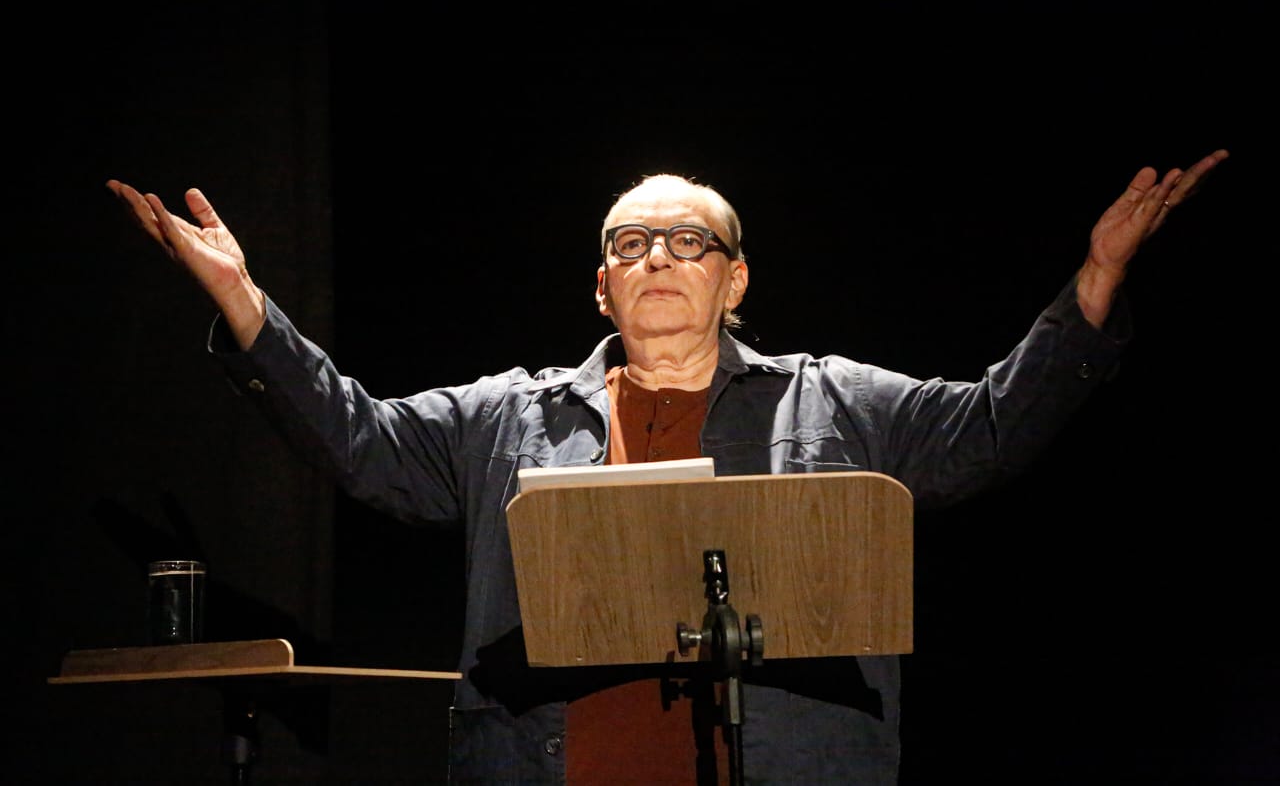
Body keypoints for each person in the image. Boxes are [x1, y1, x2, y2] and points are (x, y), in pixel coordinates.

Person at [107, 147, 1228, 784]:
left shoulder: (834, 401)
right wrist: (247, 307)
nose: (658, 257)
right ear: (601, 286)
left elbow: (988, 427)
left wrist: (1092, 285)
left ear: (733, 280)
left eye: (689, 241)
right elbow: (358, 439)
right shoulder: (506, 417)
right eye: (630, 244)